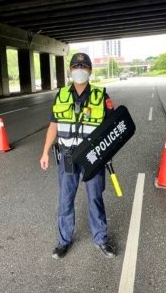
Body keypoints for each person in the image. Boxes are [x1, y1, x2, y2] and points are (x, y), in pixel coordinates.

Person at [40, 53, 116, 259]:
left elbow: (112, 128)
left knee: (95, 198)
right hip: (67, 156)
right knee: (65, 200)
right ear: (70, 70)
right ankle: (63, 241)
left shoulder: (102, 96)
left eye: (83, 66)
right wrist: (45, 151)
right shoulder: (61, 95)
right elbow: (53, 125)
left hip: (92, 156)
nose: (79, 69)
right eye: (75, 66)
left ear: (90, 70)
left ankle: (101, 239)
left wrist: (106, 153)